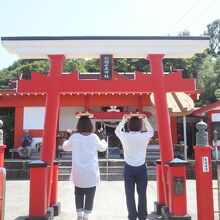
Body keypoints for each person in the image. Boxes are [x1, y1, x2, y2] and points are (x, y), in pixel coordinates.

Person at [63, 112, 108, 220]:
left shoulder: (74, 137)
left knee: (78, 193)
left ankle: (79, 215)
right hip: (91, 172)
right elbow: (103, 148)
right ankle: (86, 216)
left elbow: (65, 147)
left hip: (78, 172)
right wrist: (102, 137)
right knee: (90, 194)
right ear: (90, 125)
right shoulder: (94, 137)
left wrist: (67, 136)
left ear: (79, 125)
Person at [115, 113, 154, 220]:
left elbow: (117, 131)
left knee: (129, 193)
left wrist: (123, 119)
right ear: (140, 126)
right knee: (142, 193)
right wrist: (145, 119)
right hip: (141, 167)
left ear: (129, 126)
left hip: (129, 167)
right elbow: (151, 131)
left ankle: (132, 216)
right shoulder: (144, 136)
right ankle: (142, 216)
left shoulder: (125, 136)